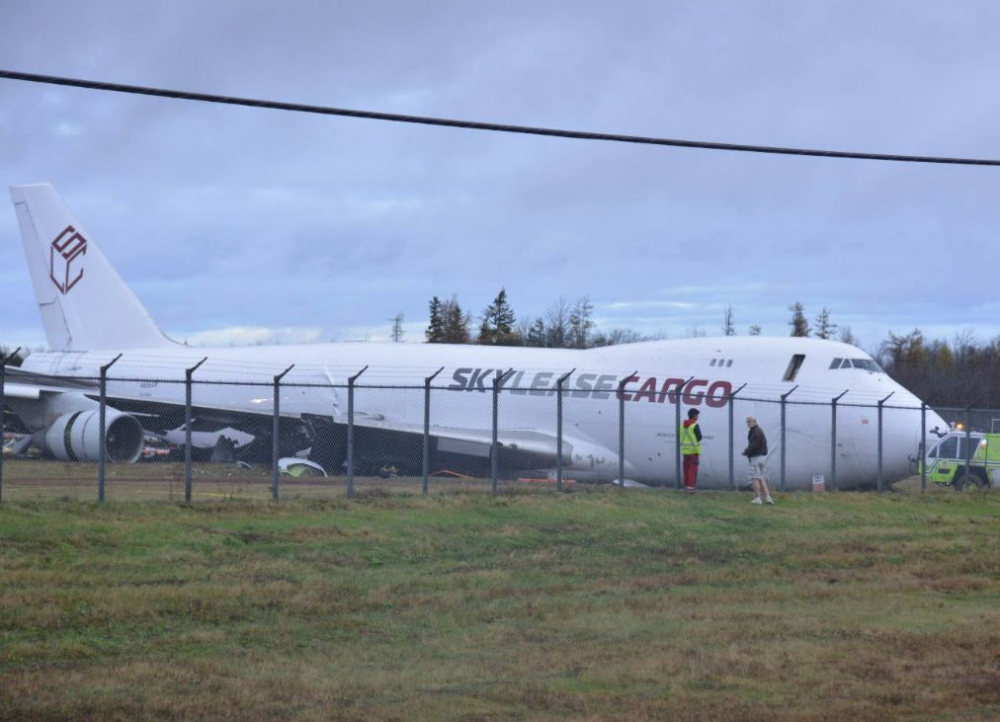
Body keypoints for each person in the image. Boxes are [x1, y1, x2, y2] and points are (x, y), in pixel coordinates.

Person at [742, 416, 773, 505]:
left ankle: (757, 498)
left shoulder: (755, 432)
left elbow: (753, 446)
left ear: (755, 421)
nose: (748, 423)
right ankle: (768, 498)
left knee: (754, 478)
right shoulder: (759, 430)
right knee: (761, 478)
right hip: (762, 458)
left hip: (756, 458)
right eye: (747, 422)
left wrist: (746, 452)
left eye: (750, 421)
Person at [680, 408, 702, 493]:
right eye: (697, 415)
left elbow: (680, 436)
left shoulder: (682, 425)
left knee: (686, 469)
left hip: (685, 450)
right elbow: (699, 437)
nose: (698, 417)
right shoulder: (695, 425)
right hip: (693, 451)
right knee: (692, 470)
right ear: (694, 416)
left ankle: (686, 486)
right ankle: (691, 487)